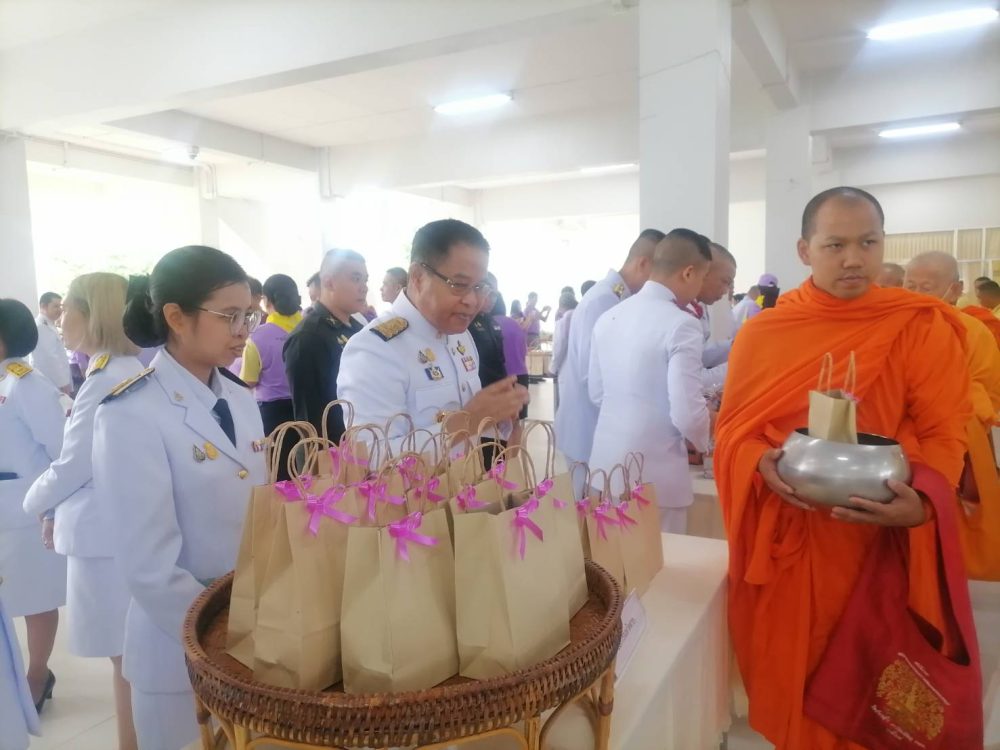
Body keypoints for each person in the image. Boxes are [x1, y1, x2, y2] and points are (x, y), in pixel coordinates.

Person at [715, 187, 979, 749]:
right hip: (791, 537)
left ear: (883, 244)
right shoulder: (766, 331)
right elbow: (735, 429)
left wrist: (923, 503)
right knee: (795, 686)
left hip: (875, 543)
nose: (854, 259)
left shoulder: (918, 325)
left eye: (868, 243)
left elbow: (944, 432)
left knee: (862, 685)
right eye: (835, 245)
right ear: (805, 250)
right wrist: (757, 462)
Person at [92, 246, 266, 750]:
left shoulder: (240, 398)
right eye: (229, 316)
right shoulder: (130, 413)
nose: (243, 330)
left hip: (252, 638)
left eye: (249, 315)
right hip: (181, 647)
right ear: (176, 317)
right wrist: (222, 636)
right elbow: (149, 566)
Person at [23, 273, 142, 750]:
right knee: (128, 656)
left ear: (93, 315)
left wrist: (34, 502)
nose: (61, 320)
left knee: (126, 657)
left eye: (69, 309)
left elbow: (73, 464)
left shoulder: (104, 376)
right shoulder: (121, 368)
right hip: (116, 528)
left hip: (103, 535)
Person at [338, 219, 528, 448]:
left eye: (480, 287)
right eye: (459, 285)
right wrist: (468, 421)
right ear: (418, 277)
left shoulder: (460, 336)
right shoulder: (375, 350)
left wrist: (499, 419)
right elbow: (371, 456)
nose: (472, 300)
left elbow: (471, 433)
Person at [589, 229, 714, 534]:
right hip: (655, 473)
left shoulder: (610, 316)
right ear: (688, 272)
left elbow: (597, 393)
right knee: (660, 560)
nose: (699, 288)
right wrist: (706, 443)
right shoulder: (682, 324)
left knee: (611, 557)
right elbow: (687, 413)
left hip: (605, 466)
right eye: (702, 278)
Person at [904, 252, 1000, 583]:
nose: (917, 294)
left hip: (955, 442)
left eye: (927, 287)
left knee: (948, 521)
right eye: (910, 285)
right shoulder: (893, 326)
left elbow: (989, 394)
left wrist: (947, 399)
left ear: (955, 289)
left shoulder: (973, 331)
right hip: (902, 440)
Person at [555, 228, 665, 488]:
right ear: (643, 264)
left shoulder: (617, 297)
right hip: (588, 428)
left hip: (598, 426)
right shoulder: (604, 300)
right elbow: (592, 373)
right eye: (659, 275)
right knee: (589, 506)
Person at [0, 299, 66, 713]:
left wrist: (53, 510)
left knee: (36, 597)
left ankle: (38, 674)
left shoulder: (28, 385)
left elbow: (61, 450)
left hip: (27, 511)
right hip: (5, 511)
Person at [283, 249, 368, 442]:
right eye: (356, 279)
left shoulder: (359, 329)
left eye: (365, 280)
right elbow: (309, 417)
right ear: (329, 282)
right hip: (333, 449)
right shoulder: (308, 337)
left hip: (364, 440)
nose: (364, 288)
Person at [241, 274, 302, 478]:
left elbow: (248, 380)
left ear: (266, 300)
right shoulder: (310, 328)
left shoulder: (258, 336)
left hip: (273, 415)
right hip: (306, 409)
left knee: (279, 470)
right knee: (308, 468)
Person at [29, 292, 72, 397]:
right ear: (43, 306)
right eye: (55, 306)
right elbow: (49, 357)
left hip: (53, 380)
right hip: (51, 381)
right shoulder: (41, 327)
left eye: (60, 306)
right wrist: (63, 382)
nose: (60, 310)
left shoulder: (49, 324)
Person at [550, 291, 577, 411]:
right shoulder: (580, 315)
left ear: (560, 306)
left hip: (566, 370)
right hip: (581, 370)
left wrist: (552, 368)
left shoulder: (565, 319)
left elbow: (559, 346)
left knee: (565, 407)